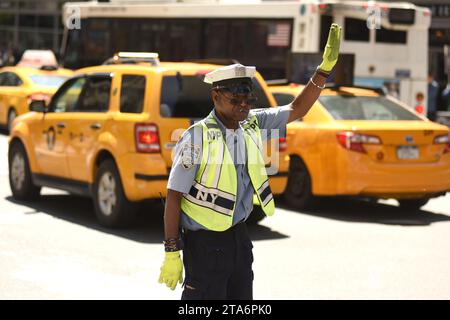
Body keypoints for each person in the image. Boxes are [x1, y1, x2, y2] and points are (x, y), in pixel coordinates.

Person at [158, 23, 342, 300]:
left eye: (247, 99)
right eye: (236, 100)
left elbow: (297, 108)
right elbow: (174, 197)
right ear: (216, 96)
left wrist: (323, 71)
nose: (243, 106)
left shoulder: (253, 124)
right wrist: (172, 250)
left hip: (238, 239)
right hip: (205, 244)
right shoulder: (196, 138)